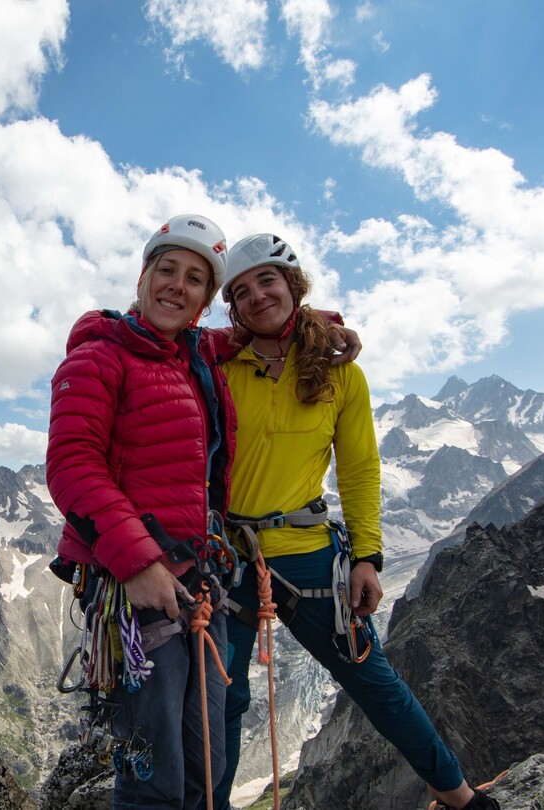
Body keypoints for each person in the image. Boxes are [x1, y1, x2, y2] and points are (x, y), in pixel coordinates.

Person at [212, 233, 498, 810]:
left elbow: (360, 468)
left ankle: (459, 796)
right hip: (229, 556)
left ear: (293, 286)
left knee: (373, 682)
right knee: (223, 701)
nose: (257, 296)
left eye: (267, 281)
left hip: (306, 552)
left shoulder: (340, 374)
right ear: (234, 309)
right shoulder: (221, 366)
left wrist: (367, 556)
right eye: (241, 292)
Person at [46, 214, 238, 808]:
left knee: (207, 763)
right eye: (167, 270)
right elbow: (72, 466)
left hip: (198, 584)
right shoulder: (100, 357)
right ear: (143, 277)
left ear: (204, 301)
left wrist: (313, 325)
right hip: (135, 596)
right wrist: (137, 565)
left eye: (195, 279)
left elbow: (251, 332)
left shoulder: (191, 356)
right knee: (154, 778)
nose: (177, 285)